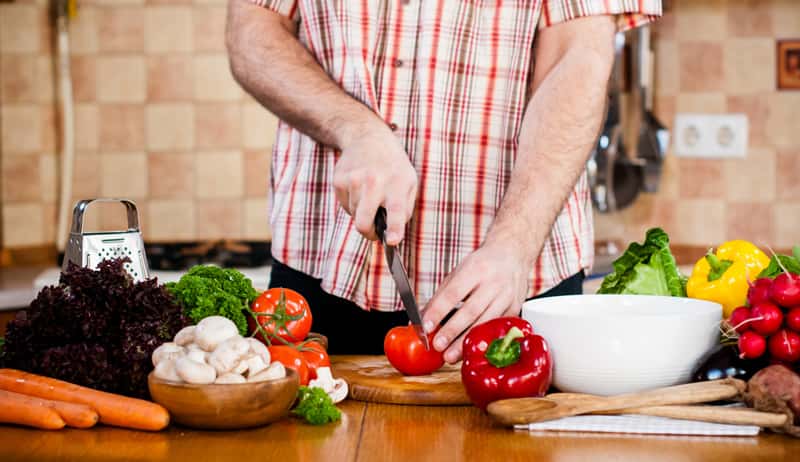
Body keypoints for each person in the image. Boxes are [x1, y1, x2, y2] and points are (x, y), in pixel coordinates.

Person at [226, 0, 660, 362]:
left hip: (513, 278)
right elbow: (252, 30)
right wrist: (353, 126)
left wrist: (514, 245)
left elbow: (579, 58)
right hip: (319, 267)